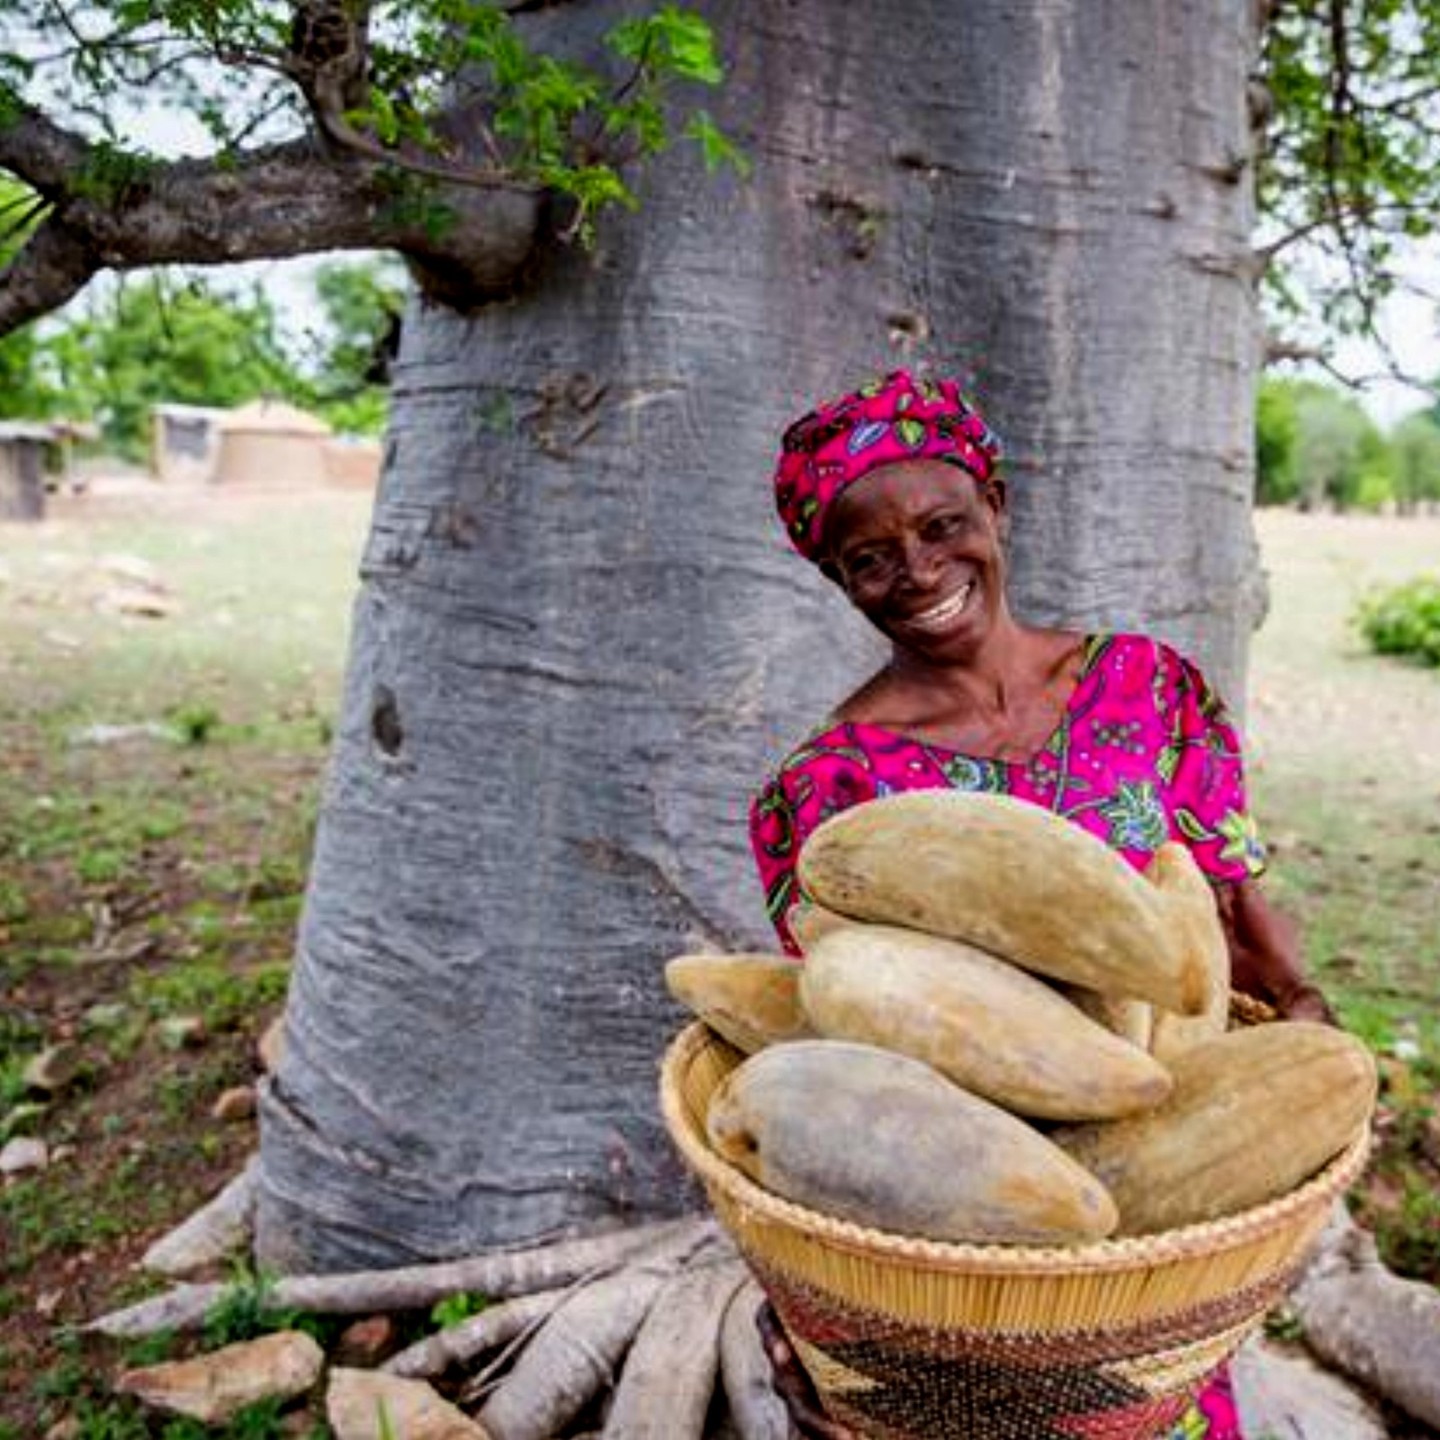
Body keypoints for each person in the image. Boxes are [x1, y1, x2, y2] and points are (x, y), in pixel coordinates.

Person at [745, 369, 1334, 1440]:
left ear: (997, 510)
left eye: (942, 525)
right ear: (838, 580)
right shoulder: (822, 792)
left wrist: (1302, 1010)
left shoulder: (1149, 689)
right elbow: (847, 1044)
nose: (918, 571)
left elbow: (1234, 905)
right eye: (869, 559)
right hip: (964, 1268)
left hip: (1156, 1244)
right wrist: (823, 1320)